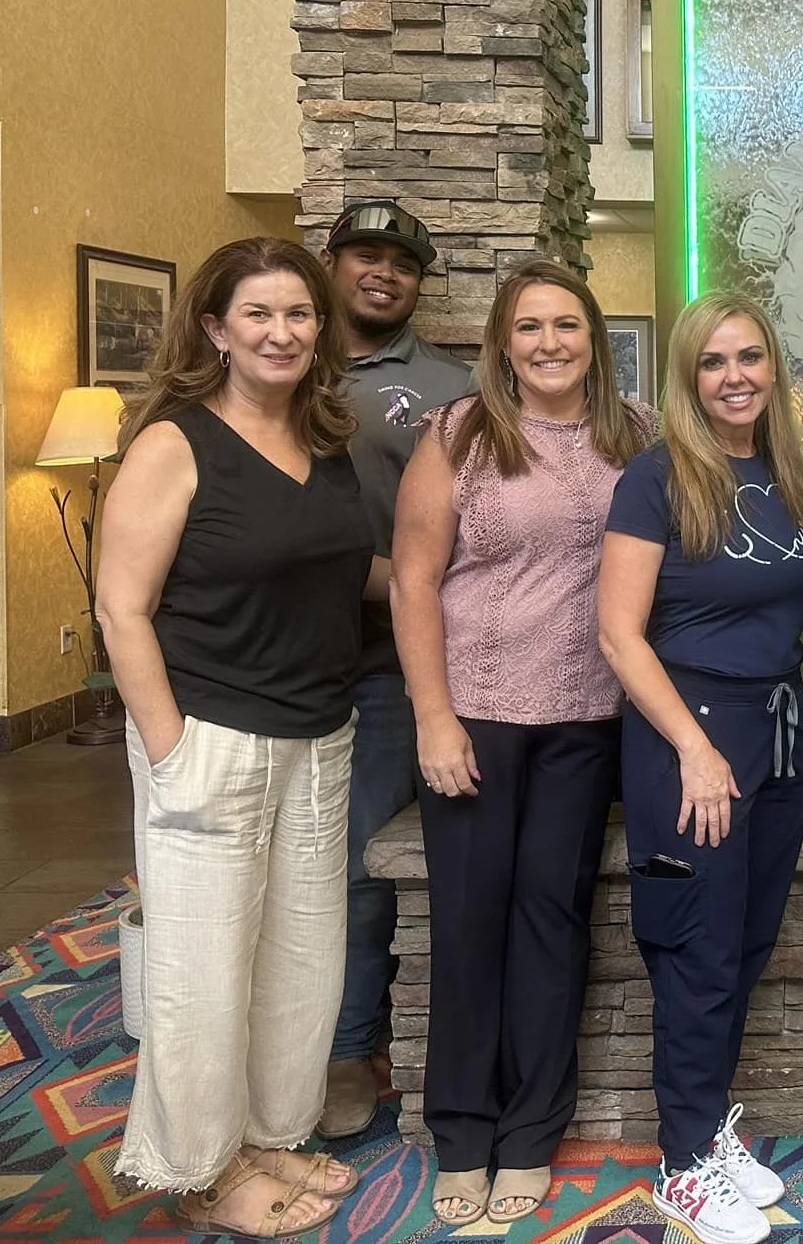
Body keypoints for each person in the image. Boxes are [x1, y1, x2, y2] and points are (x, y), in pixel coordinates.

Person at [97, 236, 377, 1239]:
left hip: (320, 736)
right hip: (211, 736)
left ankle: (266, 1136)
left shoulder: (325, 436)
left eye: (299, 313)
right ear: (216, 328)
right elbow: (121, 608)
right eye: (259, 314)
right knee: (203, 971)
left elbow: (336, 566)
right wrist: (169, 747)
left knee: (300, 961)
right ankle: (203, 1171)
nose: (281, 332)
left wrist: (461, 577)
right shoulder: (173, 444)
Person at [392, 258, 654, 1226]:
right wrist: (433, 715)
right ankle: (464, 1133)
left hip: (586, 720)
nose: (550, 343)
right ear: (503, 343)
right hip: (477, 716)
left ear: (594, 340)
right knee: (469, 925)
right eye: (530, 326)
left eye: (567, 325)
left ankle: (531, 1134)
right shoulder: (459, 434)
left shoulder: (638, 435)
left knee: (553, 926)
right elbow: (413, 580)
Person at [598, 292, 803, 1244]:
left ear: (773, 368)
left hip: (776, 730)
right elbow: (619, 635)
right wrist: (693, 750)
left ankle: (706, 1133)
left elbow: (776, 595)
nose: (734, 377)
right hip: (690, 736)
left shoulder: (783, 471)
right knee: (697, 952)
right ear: (688, 377)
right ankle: (683, 1164)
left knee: (744, 944)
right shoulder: (657, 477)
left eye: (749, 358)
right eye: (713, 361)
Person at [319, 199, 472, 1141]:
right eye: (365, 256)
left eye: (403, 264)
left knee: (360, 863)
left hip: (384, 662)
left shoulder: (450, 390)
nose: (383, 273)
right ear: (331, 261)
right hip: (267, 663)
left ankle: (348, 1047)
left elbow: (463, 541)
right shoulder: (279, 355)